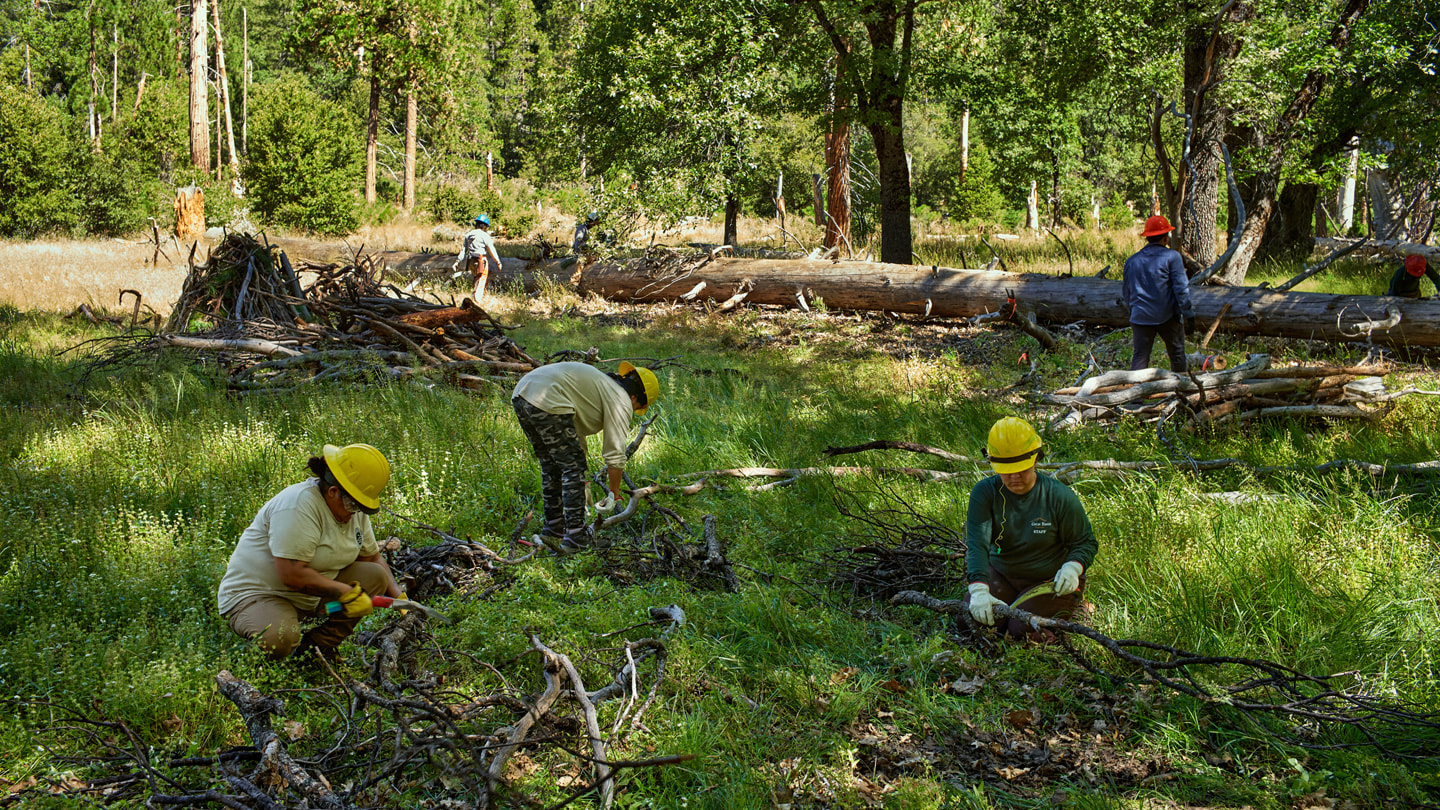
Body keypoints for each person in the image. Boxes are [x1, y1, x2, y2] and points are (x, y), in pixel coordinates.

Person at [217, 444, 402, 662]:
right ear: (333, 491)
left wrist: (400, 599)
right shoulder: (299, 505)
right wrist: (347, 593)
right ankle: (265, 653)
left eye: (361, 507)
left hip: (312, 599)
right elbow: (291, 574)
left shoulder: (352, 508)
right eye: (353, 505)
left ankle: (316, 650)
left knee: (374, 576)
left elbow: (371, 557)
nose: (356, 513)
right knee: (280, 637)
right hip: (260, 594)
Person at [964, 417, 1098, 640]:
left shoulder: (1058, 496)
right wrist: (978, 589)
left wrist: (1073, 567)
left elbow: (1085, 542)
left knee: (1021, 632)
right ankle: (1017, 607)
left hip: (1048, 580)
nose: (1014, 477)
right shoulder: (985, 493)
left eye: (1021, 469)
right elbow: (976, 544)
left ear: (1035, 460)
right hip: (1004, 573)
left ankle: (1074, 612)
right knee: (972, 624)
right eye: (1007, 471)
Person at [512, 361, 659, 554]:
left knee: (551, 465)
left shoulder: (598, 385)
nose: (632, 411)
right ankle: (576, 537)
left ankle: (554, 526)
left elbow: (573, 434)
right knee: (571, 468)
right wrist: (614, 494)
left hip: (522, 394)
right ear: (634, 398)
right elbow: (615, 453)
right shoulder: (621, 398)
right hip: (548, 397)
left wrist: (584, 484)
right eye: (637, 407)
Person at [1122, 215, 1195, 372]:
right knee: (1177, 354)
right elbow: (1181, 289)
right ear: (1165, 237)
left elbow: (1126, 293)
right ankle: (1180, 391)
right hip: (1168, 317)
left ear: (1147, 237)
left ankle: (1136, 395)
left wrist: (1134, 311)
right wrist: (1188, 314)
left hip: (1140, 316)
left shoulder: (1132, 261)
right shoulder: (1172, 257)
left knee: (1140, 356)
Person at [454, 214, 503, 301]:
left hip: (471, 262)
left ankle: (474, 297)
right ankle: (477, 300)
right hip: (481, 261)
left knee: (476, 278)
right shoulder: (485, 236)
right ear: (483, 226)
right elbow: (492, 250)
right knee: (481, 280)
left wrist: (457, 262)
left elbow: (463, 250)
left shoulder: (469, 235)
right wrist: (498, 262)